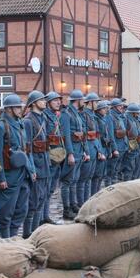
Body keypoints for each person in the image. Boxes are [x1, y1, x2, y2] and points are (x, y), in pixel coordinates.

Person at [0, 94, 36, 238]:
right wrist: (0, 178)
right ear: (9, 109)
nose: (20, 109)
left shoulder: (20, 123)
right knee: (6, 212)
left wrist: (31, 169)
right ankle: (6, 239)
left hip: (23, 174)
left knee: (21, 210)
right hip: (9, 175)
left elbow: (26, 149)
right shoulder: (1, 126)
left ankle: (14, 236)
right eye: (17, 107)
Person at [22, 91, 51, 238]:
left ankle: (36, 232)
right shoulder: (28, 121)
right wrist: (31, 168)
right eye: (41, 100)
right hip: (37, 166)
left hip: (45, 163)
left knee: (42, 199)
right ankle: (28, 234)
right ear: (33, 103)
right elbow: (27, 149)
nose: (45, 102)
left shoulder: (42, 118)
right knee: (33, 201)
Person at [59, 89, 88, 220]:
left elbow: (81, 134)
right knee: (67, 182)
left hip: (78, 150)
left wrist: (84, 151)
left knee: (74, 180)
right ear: (78, 100)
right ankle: (66, 209)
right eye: (82, 99)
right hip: (72, 151)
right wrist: (70, 153)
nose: (84, 102)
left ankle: (73, 204)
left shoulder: (76, 113)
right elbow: (67, 136)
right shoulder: (66, 114)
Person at [42, 91, 64, 224]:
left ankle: (46, 215)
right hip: (49, 157)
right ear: (48, 103)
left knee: (51, 189)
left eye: (59, 100)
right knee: (45, 188)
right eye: (55, 100)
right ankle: (43, 217)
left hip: (57, 156)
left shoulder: (55, 117)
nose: (58, 102)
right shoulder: (45, 117)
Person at [79, 93, 104, 202]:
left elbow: (96, 135)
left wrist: (99, 150)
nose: (97, 104)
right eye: (96, 102)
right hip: (88, 148)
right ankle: (83, 202)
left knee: (90, 177)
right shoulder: (84, 115)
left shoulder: (92, 115)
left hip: (94, 148)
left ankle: (91, 200)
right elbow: (84, 135)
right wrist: (86, 151)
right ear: (90, 102)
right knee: (84, 179)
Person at [107, 98, 128, 184]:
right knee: (111, 170)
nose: (121, 107)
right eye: (119, 105)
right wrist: (114, 149)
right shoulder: (111, 117)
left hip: (122, 146)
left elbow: (124, 131)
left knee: (116, 169)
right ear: (114, 107)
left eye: (121, 105)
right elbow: (111, 135)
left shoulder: (119, 116)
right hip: (116, 147)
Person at [122, 103, 140, 181]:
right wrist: (128, 146)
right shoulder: (126, 119)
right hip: (130, 144)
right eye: (136, 112)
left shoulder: (134, 120)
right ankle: (127, 183)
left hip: (135, 143)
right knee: (129, 167)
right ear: (132, 112)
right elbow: (125, 134)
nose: (138, 114)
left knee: (134, 166)